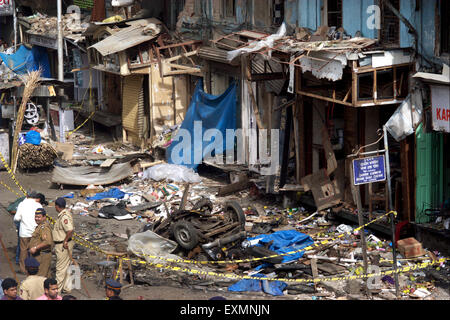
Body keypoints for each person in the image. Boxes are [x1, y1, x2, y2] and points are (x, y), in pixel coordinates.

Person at [13, 192, 46, 274]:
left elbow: (16, 218)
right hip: (35, 232)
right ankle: (34, 268)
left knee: (23, 251)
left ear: (27, 196)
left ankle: (23, 270)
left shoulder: (22, 204)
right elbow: (43, 218)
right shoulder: (38, 205)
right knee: (34, 250)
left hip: (24, 232)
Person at [52, 197, 74, 294]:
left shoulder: (64, 216)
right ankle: (67, 287)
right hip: (64, 243)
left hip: (63, 245)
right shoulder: (64, 214)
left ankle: (57, 291)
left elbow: (70, 230)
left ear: (57, 206)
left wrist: (65, 241)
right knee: (66, 266)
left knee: (60, 268)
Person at [28, 208, 53, 277]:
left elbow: (47, 241)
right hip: (39, 255)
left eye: (39, 217)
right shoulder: (39, 227)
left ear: (44, 217)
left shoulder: (44, 228)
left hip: (42, 255)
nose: (37, 219)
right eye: (35, 217)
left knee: (40, 276)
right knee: (46, 276)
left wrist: (35, 248)